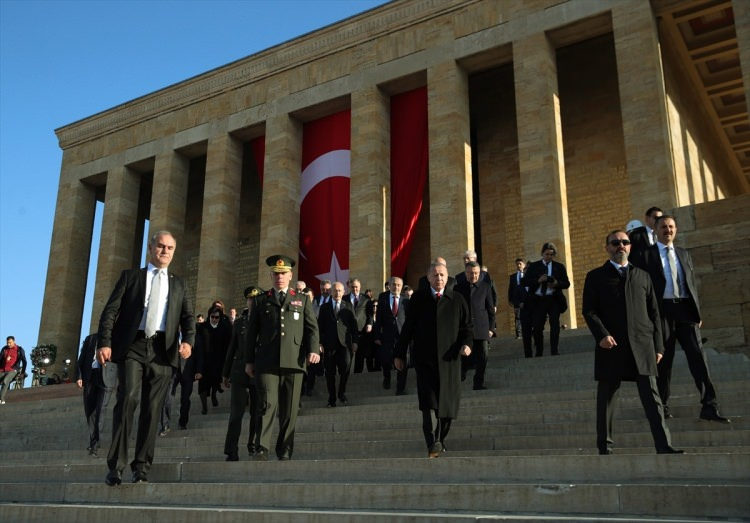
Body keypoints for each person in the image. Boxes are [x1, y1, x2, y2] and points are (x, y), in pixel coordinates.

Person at [97, 230, 195, 486]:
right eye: (161, 246)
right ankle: (116, 466)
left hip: (163, 350)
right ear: (151, 248)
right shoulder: (131, 277)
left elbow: (188, 318)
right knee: (127, 399)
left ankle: (141, 467)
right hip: (133, 345)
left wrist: (188, 342)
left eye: (170, 248)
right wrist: (105, 342)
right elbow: (111, 311)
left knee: (152, 410)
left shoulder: (179, 284)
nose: (165, 251)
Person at [582, 229, 683, 455]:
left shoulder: (642, 276)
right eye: (615, 242)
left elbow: (655, 313)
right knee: (607, 399)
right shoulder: (595, 276)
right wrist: (601, 335)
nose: (621, 246)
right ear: (607, 247)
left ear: (630, 247)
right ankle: (605, 446)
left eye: (625, 242)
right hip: (612, 346)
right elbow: (589, 311)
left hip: (642, 346)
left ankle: (663, 444)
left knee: (653, 400)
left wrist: (658, 346)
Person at [635, 215, 730, 423]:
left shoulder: (683, 254)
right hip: (662, 313)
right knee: (664, 361)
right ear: (656, 231)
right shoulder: (646, 256)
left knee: (698, 358)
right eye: (663, 227)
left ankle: (709, 405)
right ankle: (662, 406)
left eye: (671, 227)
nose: (667, 230)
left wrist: (697, 313)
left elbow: (691, 283)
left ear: (676, 230)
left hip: (686, 310)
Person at [244, 255, 321, 461]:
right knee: (266, 404)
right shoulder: (261, 300)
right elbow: (251, 333)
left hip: (294, 360)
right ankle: (261, 447)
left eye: (283, 274)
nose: (279, 277)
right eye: (276, 274)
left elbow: (311, 328)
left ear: (290, 275)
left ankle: (285, 449)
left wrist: (313, 350)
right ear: (270, 275)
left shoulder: (302, 299)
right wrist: (248, 360)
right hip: (266, 361)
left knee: (289, 409)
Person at [395, 262, 473, 458]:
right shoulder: (419, 299)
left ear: (447, 278)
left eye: (442, 275)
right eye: (435, 275)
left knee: (446, 405)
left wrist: (467, 345)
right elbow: (408, 328)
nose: (439, 279)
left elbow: (467, 328)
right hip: (425, 360)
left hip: (450, 361)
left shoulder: (457, 299)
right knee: (429, 404)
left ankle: (440, 440)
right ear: (428, 278)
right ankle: (432, 441)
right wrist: (399, 353)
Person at [223, 285, 263, 461]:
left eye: (255, 299)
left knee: (257, 411)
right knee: (236, 413)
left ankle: (253, 444)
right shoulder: (240, 322)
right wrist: (225, 373)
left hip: (259, 371)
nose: (252, 302)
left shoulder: (266, 320)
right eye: (250, 299)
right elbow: (232, 348)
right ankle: (231, 449)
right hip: (239, 371)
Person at [522, 242, 570, 356]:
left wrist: (556, 284)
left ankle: (554, 349)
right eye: (547, 254)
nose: (549, 257)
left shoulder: (559, 266)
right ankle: (539, 350)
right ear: (542, 253)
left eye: (551, 255)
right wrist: (538, 281)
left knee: (554, 323)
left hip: (554, 299)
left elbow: (567, 283)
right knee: (537, 327)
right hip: (538, 300)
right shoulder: (534, 266)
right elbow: (525, 282)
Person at [455, 261, 496, 390]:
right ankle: (460, 376)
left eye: (476, 273)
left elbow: (490, 310)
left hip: (482, 328)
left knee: (483, 357)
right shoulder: (458, 289)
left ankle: (478, 383)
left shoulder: (485, 287)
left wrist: (491, 328)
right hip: (465, 329)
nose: (474, 276)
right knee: (465, 356)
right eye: (471, 273)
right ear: (466, 273)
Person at [318, 281, 359, 407]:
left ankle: (341, 392)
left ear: (344, 292)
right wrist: (319, 343)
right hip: (329, 346)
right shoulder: (324, 308)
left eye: (340, 290)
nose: (337, 293)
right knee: (329, 373)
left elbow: (354, 326)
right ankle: (332, 398)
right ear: (331, 292)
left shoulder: (348, 306)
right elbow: (320, 327)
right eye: (335, 290)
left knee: (345, 369)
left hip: (344, 345)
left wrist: (355, 342)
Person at [76, 333, 117, 455]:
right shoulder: (91, 338)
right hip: (90, 377)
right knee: (89, 411)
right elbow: (82, 358)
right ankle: (93, 439)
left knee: (101, 409)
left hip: (106, 377)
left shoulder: (115, 337)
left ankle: (95, 442)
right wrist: (79, 377)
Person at [373, 276, 410, 394]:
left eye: (399, 285)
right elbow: (378, 318)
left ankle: (400, 388)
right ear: (389, 285)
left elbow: (409, 319)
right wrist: (377, 335)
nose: (396, 287)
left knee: (403, 361)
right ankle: (387, 377)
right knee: (386, 359)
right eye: (394, 284)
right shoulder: (383, 297)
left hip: (402, 335)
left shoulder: (406, 300)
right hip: (387, 335)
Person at [198, 304, 232, 414]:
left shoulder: (224, 328)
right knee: (203, 385)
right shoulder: (202, 327)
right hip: (204, 361)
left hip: (218, 360)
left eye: (217, 317)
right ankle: (204, 407)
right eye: (212, 317)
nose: (214, 319)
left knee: (215, 382)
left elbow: (228, 344)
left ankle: (213, 395)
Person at [344, 277, 373, 374]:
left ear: (360, 287)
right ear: (349, 287)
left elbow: (370, 314)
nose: (354, 289)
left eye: (356, 287)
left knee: (360, 357)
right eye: (352, 287)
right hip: (348, 332)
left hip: (361, 332)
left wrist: (370, 324)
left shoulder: (366, 299)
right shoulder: (344, 299)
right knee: (347, 358)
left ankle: (357, 376)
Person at [0, 336, 27, 404]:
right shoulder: (4, 349)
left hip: (13, 370)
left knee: (5, 381)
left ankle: (1, 399)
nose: (8, 344)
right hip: (2, 369)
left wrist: (22, 373)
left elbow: (24, 361)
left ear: (14, 341)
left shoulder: (19, 349)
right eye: (7, 343)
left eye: (10, 343)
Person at [507, 258, 527, 340]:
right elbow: (511, 289)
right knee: (518, 317)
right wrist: (510, 300)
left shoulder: (527, 275)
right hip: (517, 300)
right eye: (517, 264)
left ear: (524, 265)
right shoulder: (513, 277)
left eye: (520, 264)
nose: (518, 266)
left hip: (526, 299)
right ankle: (518, 334)